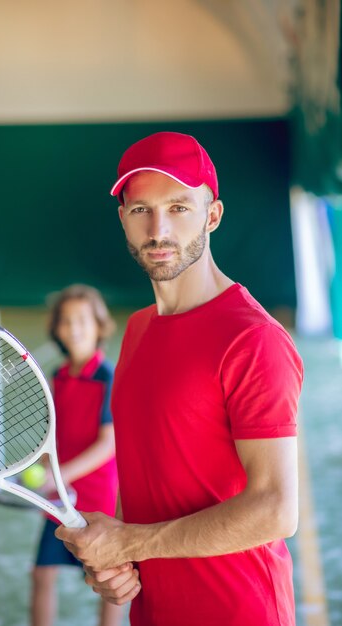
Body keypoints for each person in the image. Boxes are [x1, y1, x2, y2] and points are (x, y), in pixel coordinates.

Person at [55, 132, 304, 626]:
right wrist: (117, 561)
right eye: (140, 209)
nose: (158, 229)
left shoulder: (253, 339)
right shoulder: (138, 330)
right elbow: (144, 469)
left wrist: (131, 541)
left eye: (178, 207)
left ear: (212, 215)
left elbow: (277, 509)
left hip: (239, 611)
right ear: (123, 218)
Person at [30, 284, 124, 626]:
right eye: (66, 321)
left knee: (109, 578)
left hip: (99, 496)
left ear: (100, 326)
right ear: (57, 329)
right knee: (42, 575)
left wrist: (58, 475)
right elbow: (52, 435)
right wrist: (45, 468)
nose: (75, 328)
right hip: (60, 497)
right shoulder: (56, 376)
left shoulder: (109, 376)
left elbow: (107, 444)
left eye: (83, 320)